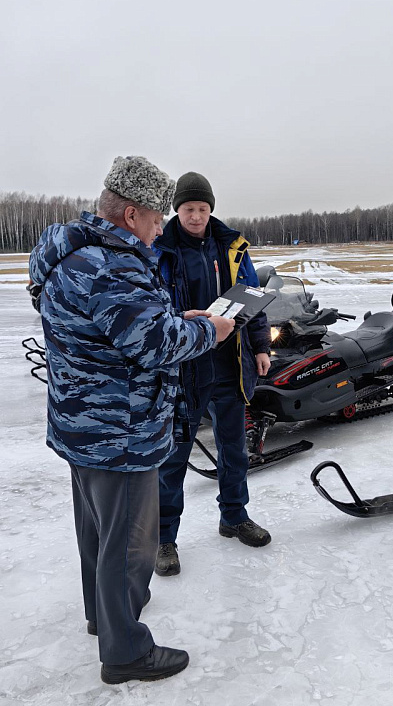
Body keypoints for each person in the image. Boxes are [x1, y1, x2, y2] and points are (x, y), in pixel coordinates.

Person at [29, 156, 234, 685]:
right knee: (130, 545)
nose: (158, 227)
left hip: (81, 423)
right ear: (130, 215)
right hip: (120, 429)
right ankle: (124, 653)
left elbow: (119, 328)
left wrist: (171, 318)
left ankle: (105, 618)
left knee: (98, 533)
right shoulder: (112, 264)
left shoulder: (72, 250)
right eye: (154, 216)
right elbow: (154, 346)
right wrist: (210, 331)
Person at [154, 171, 271, 577]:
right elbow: (149, 309)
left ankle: (234, 517)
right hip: (184, 367)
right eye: (189, 208)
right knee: (174, 458)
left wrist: (260, 347)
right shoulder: (160, 249)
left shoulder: (232, 246)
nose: (196, 216)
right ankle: (164, 539)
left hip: (229, 365)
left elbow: (253, 298)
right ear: (177, 210)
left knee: (234, 449)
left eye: (203, 208)